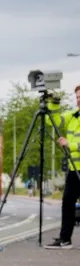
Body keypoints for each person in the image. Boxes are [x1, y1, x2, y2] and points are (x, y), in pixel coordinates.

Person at [43, 84, 80, 249]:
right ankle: (65, 239)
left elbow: (73, 143)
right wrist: (54, 104)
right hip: (74, 168)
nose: (78, 100)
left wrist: (69, 144)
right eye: (77, 97)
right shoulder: (73, 115)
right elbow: (53, 121)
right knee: (67, 203)